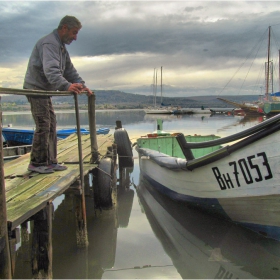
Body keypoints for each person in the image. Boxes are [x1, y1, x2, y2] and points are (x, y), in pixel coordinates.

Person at [23, 15, 93, 174]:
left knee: (51, 123)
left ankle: (51, 161)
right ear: (64, 28)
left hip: (44, 90)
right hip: (35, 89)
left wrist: (83, 86)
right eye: (74, 33)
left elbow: (70, 71)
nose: (75, 38)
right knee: (44, 123)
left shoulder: (60, 47)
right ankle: (37, 163)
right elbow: (51, 71)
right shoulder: (49, 44)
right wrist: (67, 86)